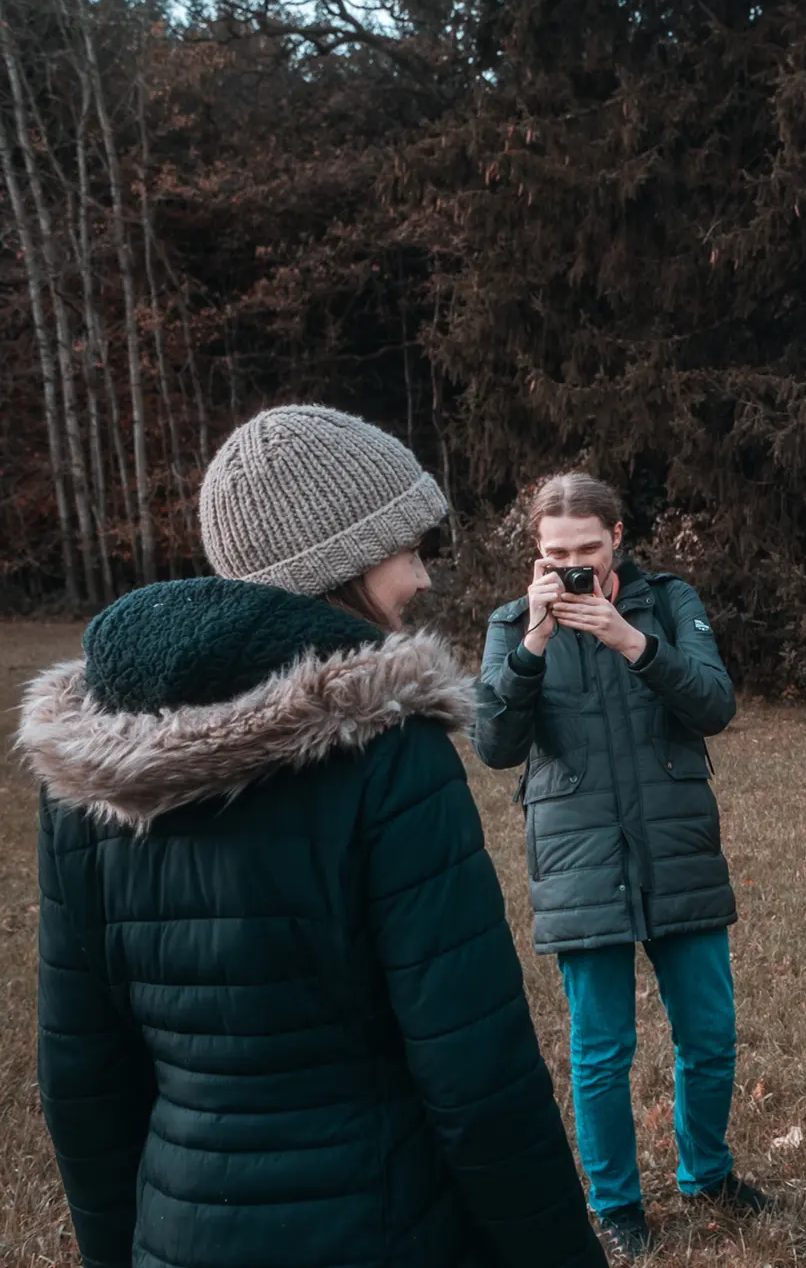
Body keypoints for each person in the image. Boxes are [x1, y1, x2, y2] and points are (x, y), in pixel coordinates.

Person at [16, 406, 605, 1268]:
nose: (423, 580)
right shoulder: (392, 755)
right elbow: (478, 1078)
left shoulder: (88, 777)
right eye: (406, 549)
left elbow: (82, 1083)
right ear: (342, 564)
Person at [472, 473, 766, 1258]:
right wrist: (535, 643)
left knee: (709, 1033)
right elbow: (495, 745)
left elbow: (714, 704)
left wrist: (629, 639)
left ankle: (708, 1171)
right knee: (601, 1049)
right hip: (578, 859)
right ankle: (615, 1205)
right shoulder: (510, 624)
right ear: (536, 554)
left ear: (618, 538)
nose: (572, 567)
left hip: (675, 845)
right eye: (555, 554)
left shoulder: (668, 603)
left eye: (587, 551)